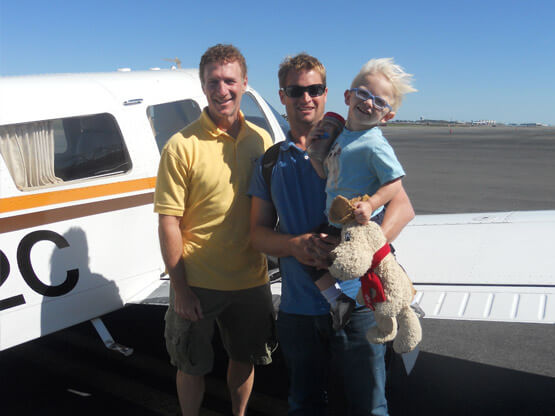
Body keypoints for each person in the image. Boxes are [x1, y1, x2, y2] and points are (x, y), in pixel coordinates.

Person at [248, 53, 415, 416]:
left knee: (369, 406)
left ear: (327, 94)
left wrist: (366, 248)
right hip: (299, 310)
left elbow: (403, 207)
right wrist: (295, 245)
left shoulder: (355, 143)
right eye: (295, 90)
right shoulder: (271, 161)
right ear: (282, 96)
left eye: (314, 89)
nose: (305, 98)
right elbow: (257, 235)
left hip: (361, 305)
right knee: (303, 405)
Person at [154, 44, 276, 416]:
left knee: (246, 358)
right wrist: (180, 289)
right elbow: (168, 221)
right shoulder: (181, 145)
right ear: (202, 85)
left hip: (251, 278)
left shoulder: (262, 140)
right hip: (198, 280)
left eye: (229, 81)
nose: (221, 90)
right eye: (212, 82)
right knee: (190, 363)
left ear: (244, 83)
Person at [304, 57, 417, 329]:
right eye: (363, 94)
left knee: (374, 265)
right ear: (347, 97)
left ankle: (401, 301)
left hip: (363, 221)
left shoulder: (374, 144)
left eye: (379, 102)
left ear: (387, 116)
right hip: (337, 219)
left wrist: (372, 203)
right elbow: (327, 176)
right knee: (312, 256)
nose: (368, 103)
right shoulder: (341, 136)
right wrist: (315, 156)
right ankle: (338, 301)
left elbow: (395, 182)